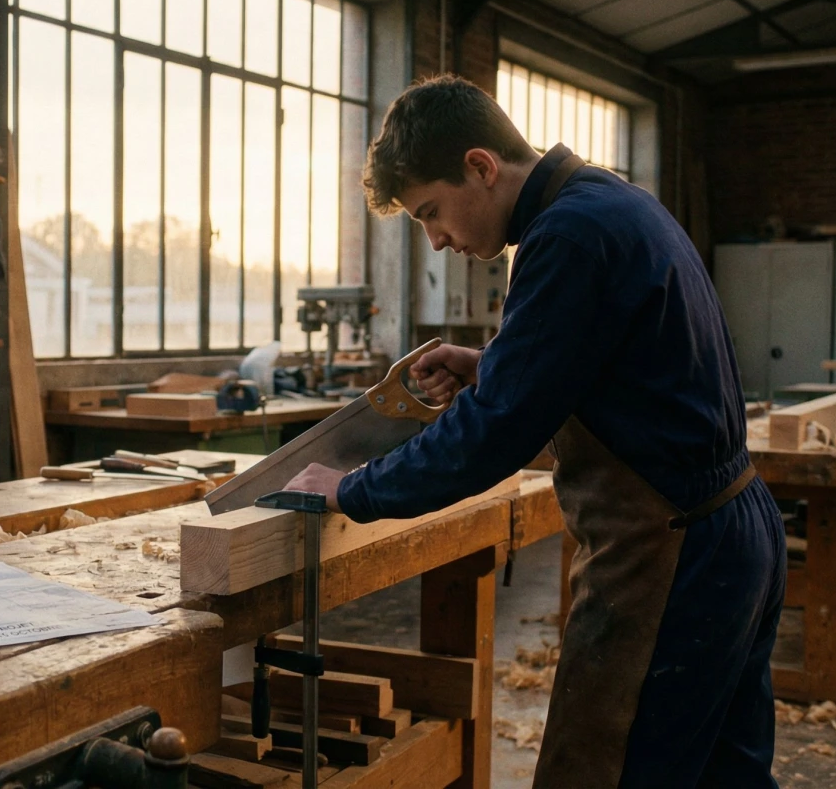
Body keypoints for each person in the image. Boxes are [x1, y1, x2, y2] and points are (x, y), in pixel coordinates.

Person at [281, 75, 785, 788]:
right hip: (734, 531)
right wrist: (495, 365)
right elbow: (613, 363)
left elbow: (492, 438)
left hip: (673, 557)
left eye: (432, 212)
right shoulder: (609, 201)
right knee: (723, 777)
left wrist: (352, 489)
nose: (436, 241)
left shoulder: (565, 237)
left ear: (481, 168)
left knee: (601, 773)